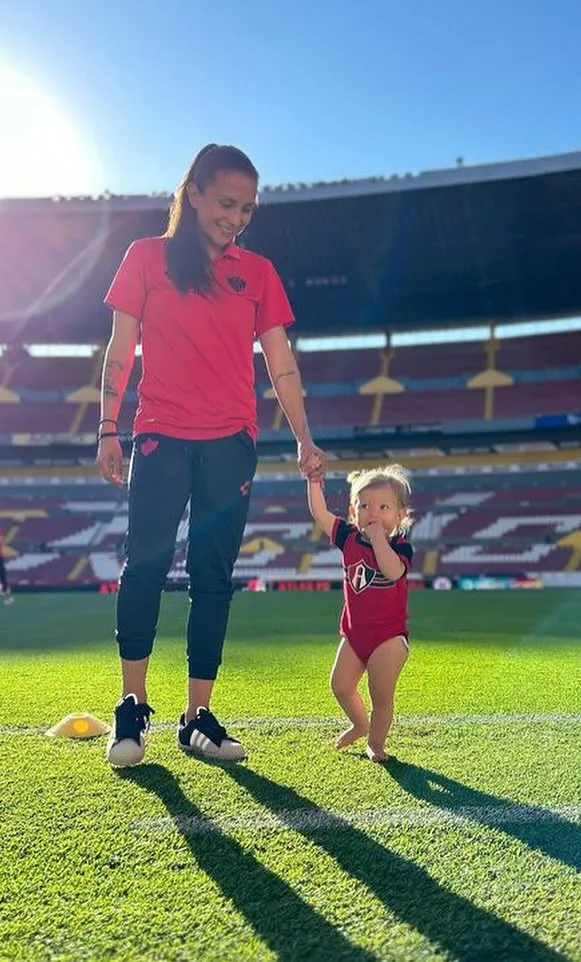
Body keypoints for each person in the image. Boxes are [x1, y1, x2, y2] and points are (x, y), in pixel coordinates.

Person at [97, 143, 325, 767]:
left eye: (247, 209)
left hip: (231, 444)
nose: (236, 218)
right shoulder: (145, 257)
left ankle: (197, 716)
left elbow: (281, 363)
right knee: (143, 566)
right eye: (226, 203)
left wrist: (304, 438)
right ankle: (132, 706)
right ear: (193, 193)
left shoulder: (258, 273)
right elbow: (120, 349)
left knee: (212, 577)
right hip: (161, 436)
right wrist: (107, 428)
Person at [307, 465, 414, 763]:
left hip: (389, 637)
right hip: (355, 634)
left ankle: (376, 744)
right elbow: (321, 515)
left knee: (380, 693)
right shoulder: (348, 537)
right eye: (365, 506)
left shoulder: (400, 546)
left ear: (400, 515)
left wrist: (379, 539)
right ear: (354, 512)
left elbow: (393, 572)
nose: (373, 514)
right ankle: (359, 723)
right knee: (340, 685)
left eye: (384, 508)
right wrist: (314, 482)